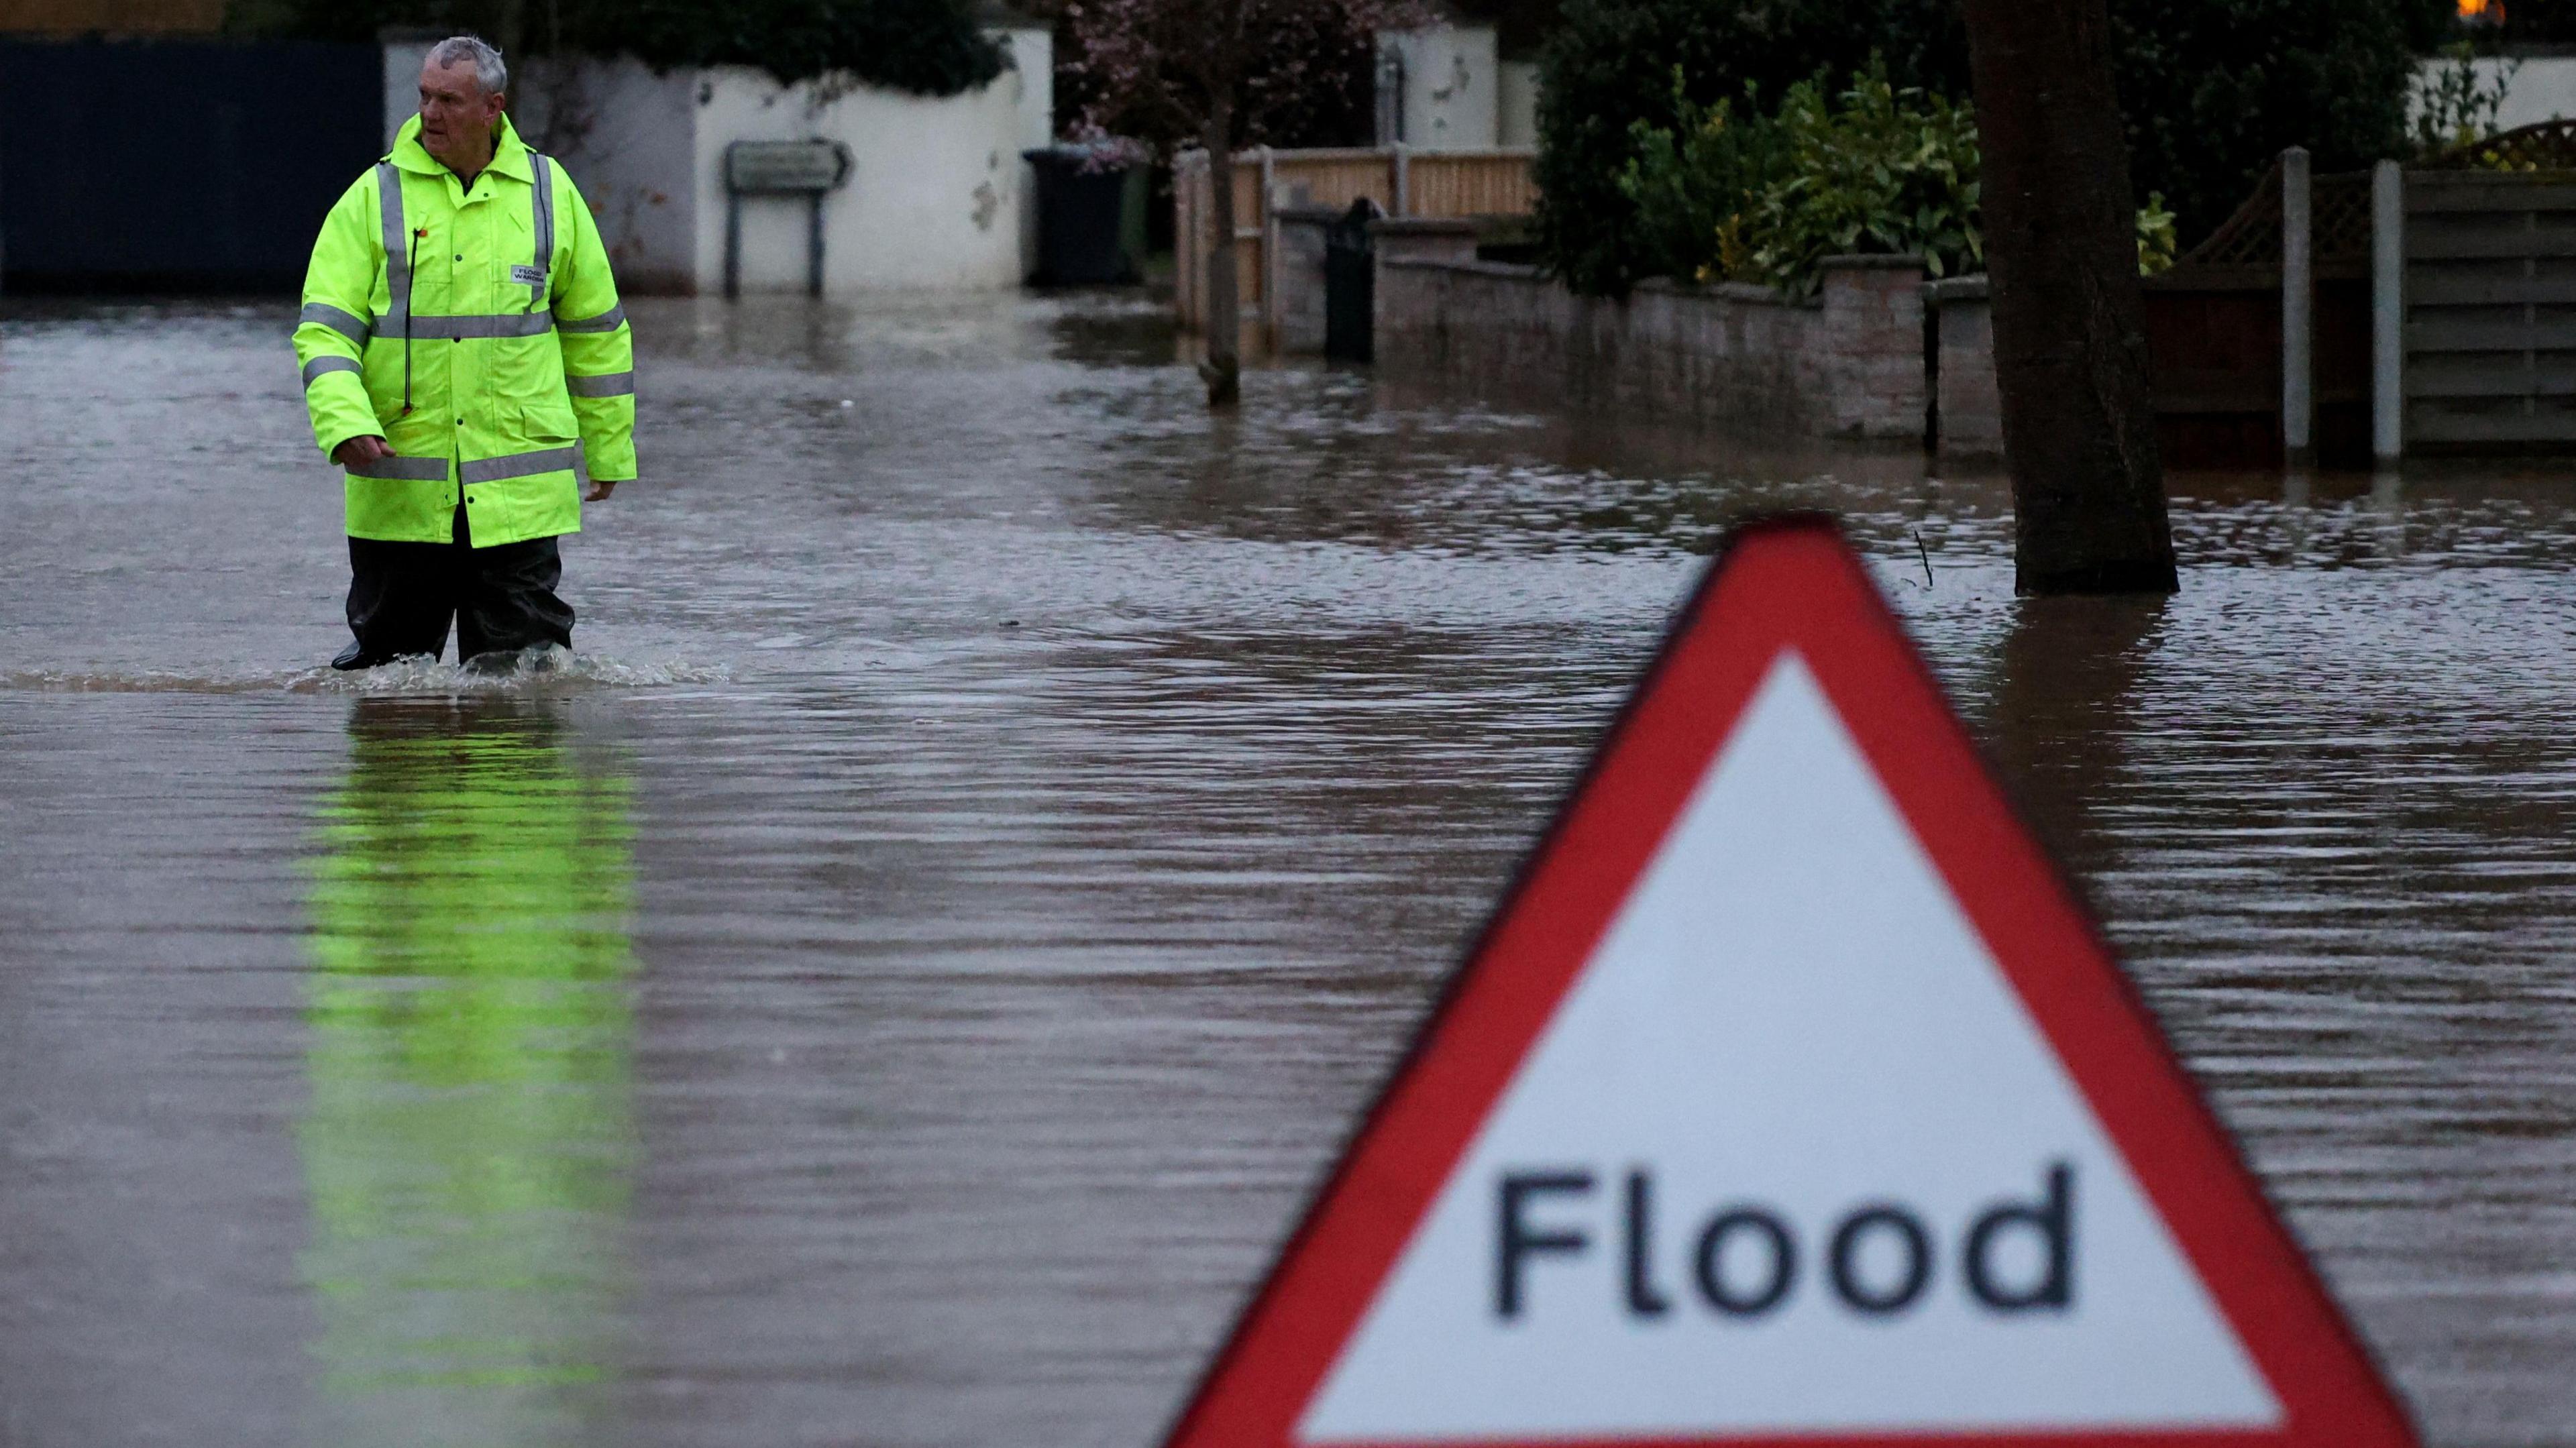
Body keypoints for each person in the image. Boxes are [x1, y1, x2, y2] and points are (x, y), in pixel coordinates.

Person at [293, 34, 636, 671]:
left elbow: (597, 331)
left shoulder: (548, 193)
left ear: (492, 109)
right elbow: (325, 333)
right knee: (386, 691)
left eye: (449, 100)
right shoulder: (373, 198)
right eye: (424, 96)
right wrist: (344, 424)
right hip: (402, 492)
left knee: (526, 690)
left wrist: (610, 446)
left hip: (518, 501)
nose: (429, 114)